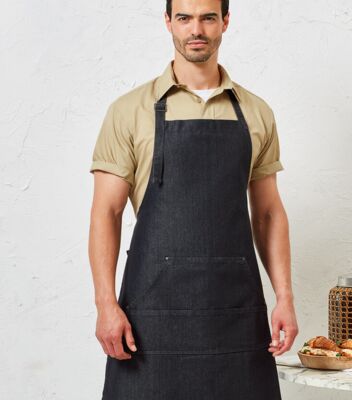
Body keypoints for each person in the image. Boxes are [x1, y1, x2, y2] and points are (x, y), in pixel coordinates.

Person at [88, 0, 298, 398]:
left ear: (225, 22)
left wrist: (285, 298)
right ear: (169, 22)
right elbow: (106, 213)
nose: (196, 29)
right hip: (152, 313)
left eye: (208, 18)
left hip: (233, 312)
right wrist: (105, 304)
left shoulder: (256, 112)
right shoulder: (129, 111)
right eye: (184, 18)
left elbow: (269, 214)